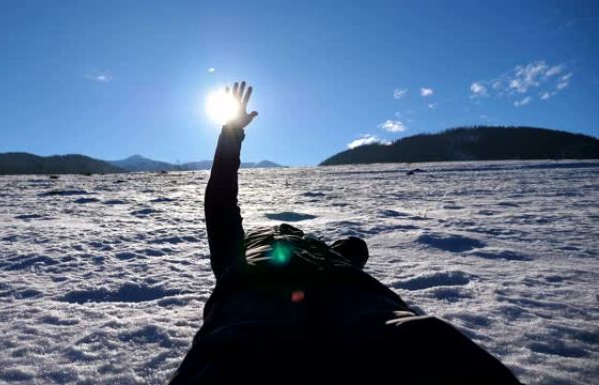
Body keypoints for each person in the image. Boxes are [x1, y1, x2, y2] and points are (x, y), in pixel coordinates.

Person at [168, 82, 522, 385]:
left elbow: (222, 208)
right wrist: (231, 132)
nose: (283, 233)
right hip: (294, 296)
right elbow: (221, 205)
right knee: (424, 346)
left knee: (427, 347)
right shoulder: (235, 255)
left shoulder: (240, 256)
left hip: (314, 294)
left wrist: (343, 252)